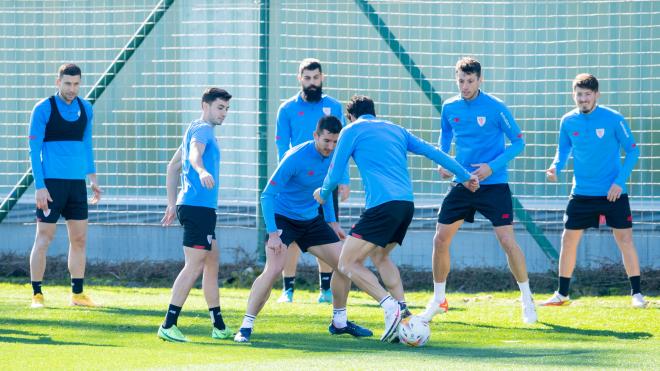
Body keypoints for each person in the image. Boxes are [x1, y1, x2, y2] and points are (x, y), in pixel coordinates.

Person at [314, 95, 479, 342]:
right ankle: (403, 312)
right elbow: (433, 152)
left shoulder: (351, 130)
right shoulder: (397, 130)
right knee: (380, 256)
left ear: (350, 116)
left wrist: (323, 193)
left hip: (382, 206)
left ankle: (388, 305)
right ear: (374, 113)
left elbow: (335, 171)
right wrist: (465, 175)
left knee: (346, 263)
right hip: (405, 205)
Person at [419, 57, 537, 324]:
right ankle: (439, 299)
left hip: (493, 184)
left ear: (480, 79)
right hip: (462, 183)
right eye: (461, 81)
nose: (465, 86)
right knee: (440, 239)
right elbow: (445, 137)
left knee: (507, 241)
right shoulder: (449, 107)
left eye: (470, 81)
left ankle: (527, 300)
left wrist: (490, 168)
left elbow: (518, 143)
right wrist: (445, 163)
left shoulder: (496, 107)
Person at [234, 116, 372, 343]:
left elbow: (325, 191)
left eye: (336, 142)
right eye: (327, 141)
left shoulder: (336, 156)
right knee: (273, 270)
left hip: (312, 220)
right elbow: (267, 195)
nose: (331, 146)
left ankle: (339, 322)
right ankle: (246, 326)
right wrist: (273, 233)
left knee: (345, 264)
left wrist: (333, 222)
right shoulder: (295, 157)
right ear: (316, 136)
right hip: (283, 219)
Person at [542, 73, 646, 308]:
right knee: (568, 239)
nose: (583, 99)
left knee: (625, 239)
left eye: (587, 94)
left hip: (613, 192)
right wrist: (555, 166)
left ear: (596, 95)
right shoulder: (568, 121)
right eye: (579, 94)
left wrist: (619, 182)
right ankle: (562, 294)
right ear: (574, 95)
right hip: (582, 193)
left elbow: (632, 151)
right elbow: (563, 150)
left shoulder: (614, 119)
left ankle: (637, 294)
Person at [157, 88, 234, 342]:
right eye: (219, 108)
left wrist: (171, 204)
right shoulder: (202, 130)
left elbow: (173, 166)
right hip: (198, 208)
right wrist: (200, 170)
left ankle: (218, 325)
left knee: (212, 260)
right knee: (194, 266)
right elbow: (194, 155)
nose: (223, 113)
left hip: (195, 207)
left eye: (226, 109)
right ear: (205, 105)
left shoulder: (193, 127)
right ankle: (168, 324)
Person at [274, 58, 350, 304]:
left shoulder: (334, 106)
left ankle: (325, 290)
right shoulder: (286, 109)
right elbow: (281, 146)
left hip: (325, 182)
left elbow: (342, 148)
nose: (312, 83)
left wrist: (344, 179)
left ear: (322, 77)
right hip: (296, 184)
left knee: (328, 229)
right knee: (293, 237)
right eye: (307, 78)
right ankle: (288, 289)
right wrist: (285, 179)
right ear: (300, 79)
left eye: (316, 78)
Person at [28, 63, 102, 308]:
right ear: (57, 82)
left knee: (79, 239)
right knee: (44, 238)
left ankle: (78, 295)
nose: (72, 89)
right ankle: (37, 294)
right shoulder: (43, 109)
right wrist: (40, 186)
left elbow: (87, 144)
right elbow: (34, 149)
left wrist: (92, 178)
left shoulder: (86, 108)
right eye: (68, 83)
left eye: (77, 84)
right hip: (51, 185)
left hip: (76, 184)